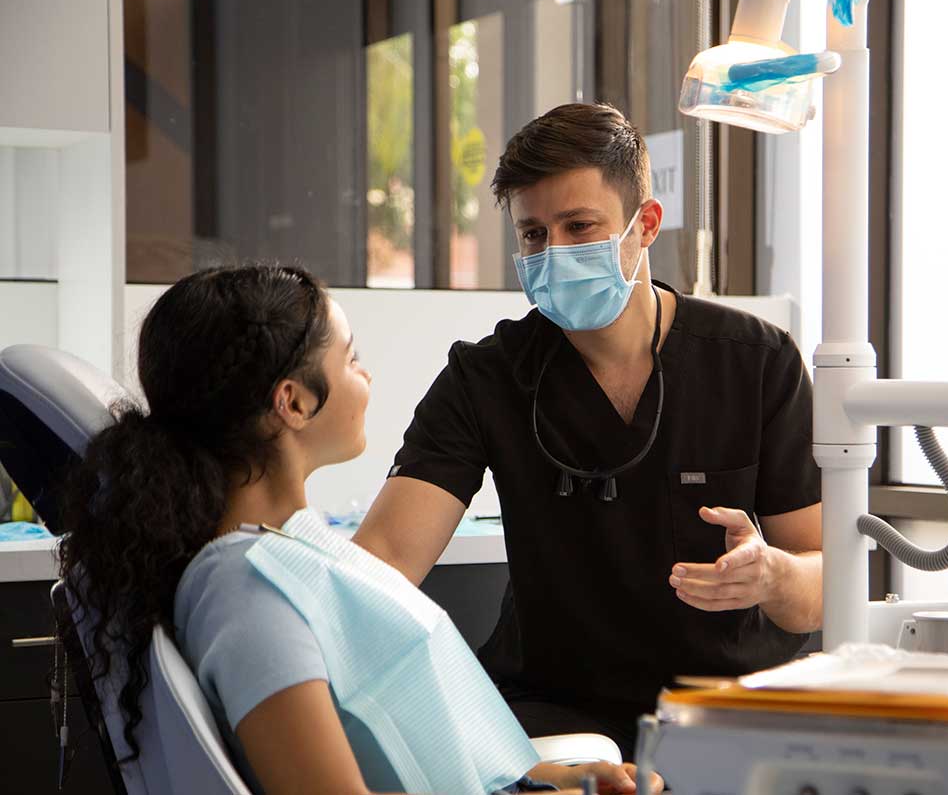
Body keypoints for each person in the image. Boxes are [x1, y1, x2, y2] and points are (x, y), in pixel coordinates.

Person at [57, 265, 659, 795]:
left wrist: (551, 782)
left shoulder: (277, 556)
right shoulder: (247, 595)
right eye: (351, 359)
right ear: (292, 403)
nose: (365, 377)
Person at [354, 103, 824, 760]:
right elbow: (384, 561)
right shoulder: (486, 378)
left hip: (726, 709)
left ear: (646, 225)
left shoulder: (756, 362)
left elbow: (817, 588)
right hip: (552, 713)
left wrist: (772, 576)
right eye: (534, 235)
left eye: (580, 226)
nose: (556, 253)